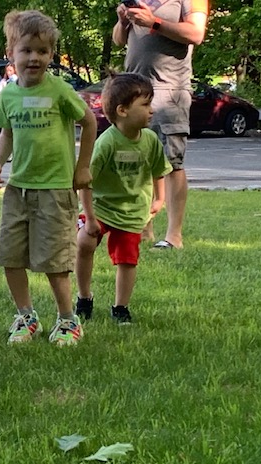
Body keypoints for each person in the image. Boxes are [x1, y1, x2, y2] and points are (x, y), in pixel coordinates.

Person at [0, 10, 97, 345]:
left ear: (51, 55)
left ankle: (67, 319)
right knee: (11, 255)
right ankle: (26, 315)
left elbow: (89, 122)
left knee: (53, 261)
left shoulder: (60, 91)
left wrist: (82, 167)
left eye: (42, 51)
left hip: (54, 188)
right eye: (26, 50)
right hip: (18, 188)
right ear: (11, 54)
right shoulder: (7, 95)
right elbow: (6, 132)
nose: (34, 58)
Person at [75, 73, 172, 324]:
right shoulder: (106, 143)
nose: (152, 111)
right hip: (101, 208)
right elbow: (85, 180)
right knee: (84, 242)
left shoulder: (150, 140)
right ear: (123, 110)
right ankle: (84, 297)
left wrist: (159, 199)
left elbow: (158, 170)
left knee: (128, 260)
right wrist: (90, 218)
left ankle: (121, 307)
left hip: (131, 212)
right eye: (145, 105)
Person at [113, 0, 209, 250]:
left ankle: (173, 236)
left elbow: (196, 34)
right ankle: (143, 229)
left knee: (171, 163)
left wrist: (154, 22)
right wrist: (123, 22)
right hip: (133, 88)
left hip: (169, 89)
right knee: (138, 161)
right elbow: (118, 41)